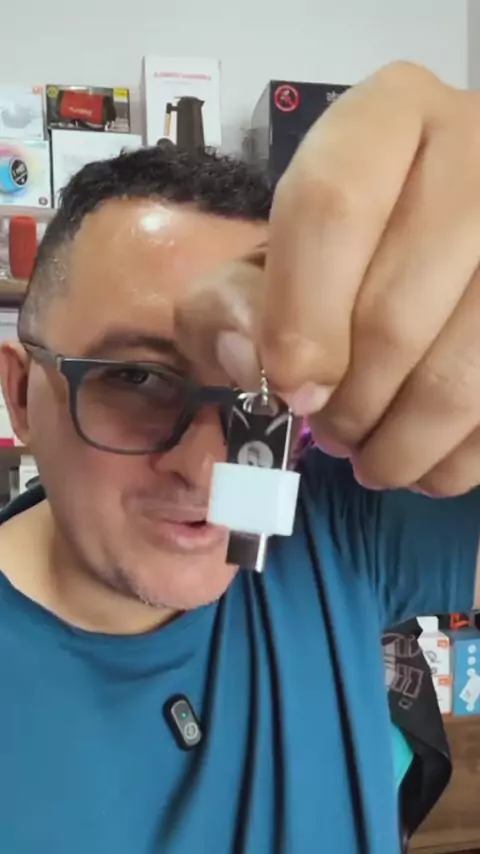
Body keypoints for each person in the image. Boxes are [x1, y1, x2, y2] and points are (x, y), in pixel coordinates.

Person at [0, 61, 478, 853]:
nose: (208, 470)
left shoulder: (337, 522)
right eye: (136, 379)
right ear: (21, 394)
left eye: (260, 399)